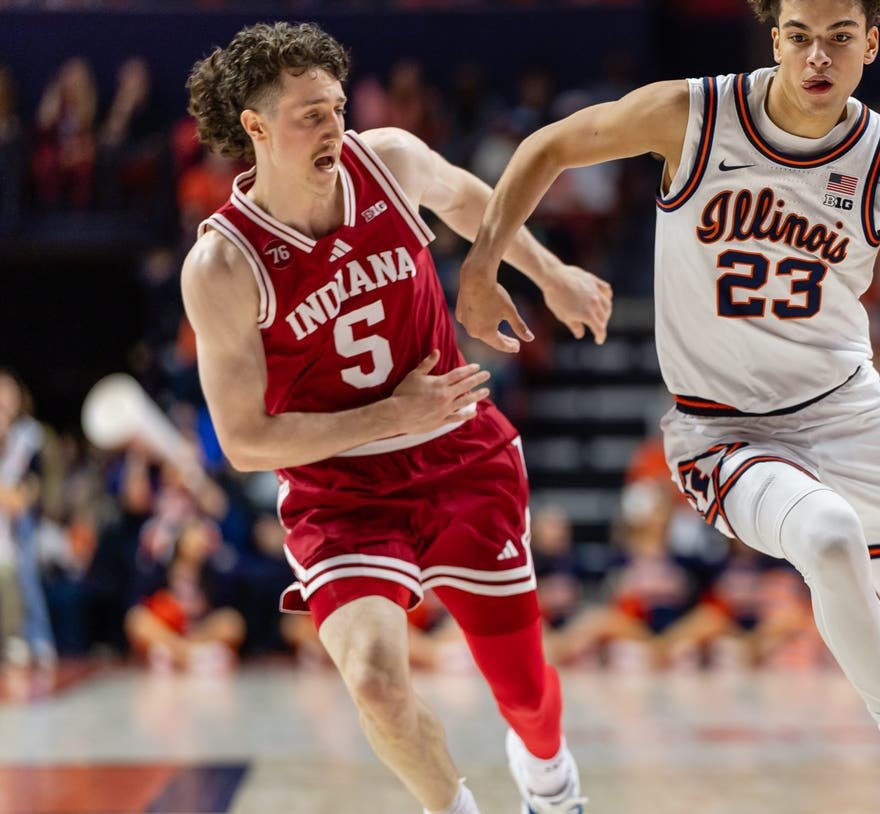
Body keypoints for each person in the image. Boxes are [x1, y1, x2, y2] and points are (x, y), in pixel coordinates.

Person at [456, 2, 880, 811]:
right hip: (722, 430)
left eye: (839, 37)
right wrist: (482, 267)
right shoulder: (694, 114)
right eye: (800, 36)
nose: (817, 56)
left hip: (847, 412)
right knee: (829, 536)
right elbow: (547, 147)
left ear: (870, 43)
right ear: (775, 37)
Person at [181, 22, 611, 814]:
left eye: (338, 107)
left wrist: (546, 273)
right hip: (340, 491)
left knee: (524, 694)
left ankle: (550, 778)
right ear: (256, 127)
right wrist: (390, 415)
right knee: (376, 684)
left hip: (459, 455)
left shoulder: (387, 160)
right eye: (310, 114)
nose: (333, 127)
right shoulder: (224, 263)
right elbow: (243, 441)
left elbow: (470, 198)